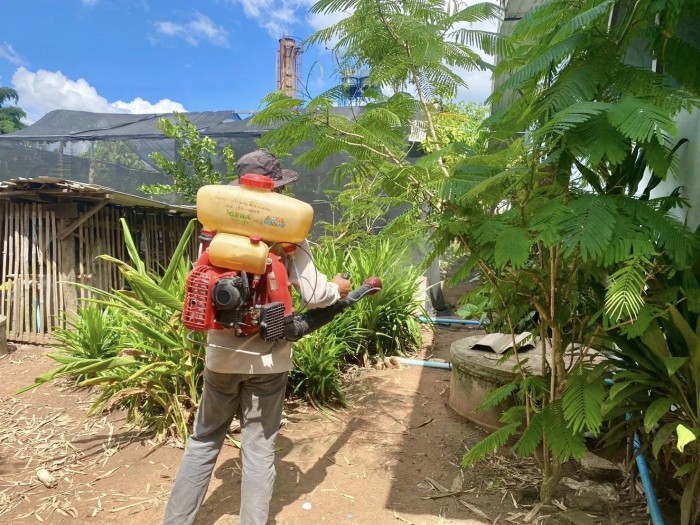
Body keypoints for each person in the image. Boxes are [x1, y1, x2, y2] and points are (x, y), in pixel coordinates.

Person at [163, 150, 351, 525]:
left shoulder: (213, 231)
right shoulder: (288, 235)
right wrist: (339, 288)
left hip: (220, 357)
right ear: (276, 188)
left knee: (204, 439)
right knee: (259, 447)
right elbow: (316, 295)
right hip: (269, 360)